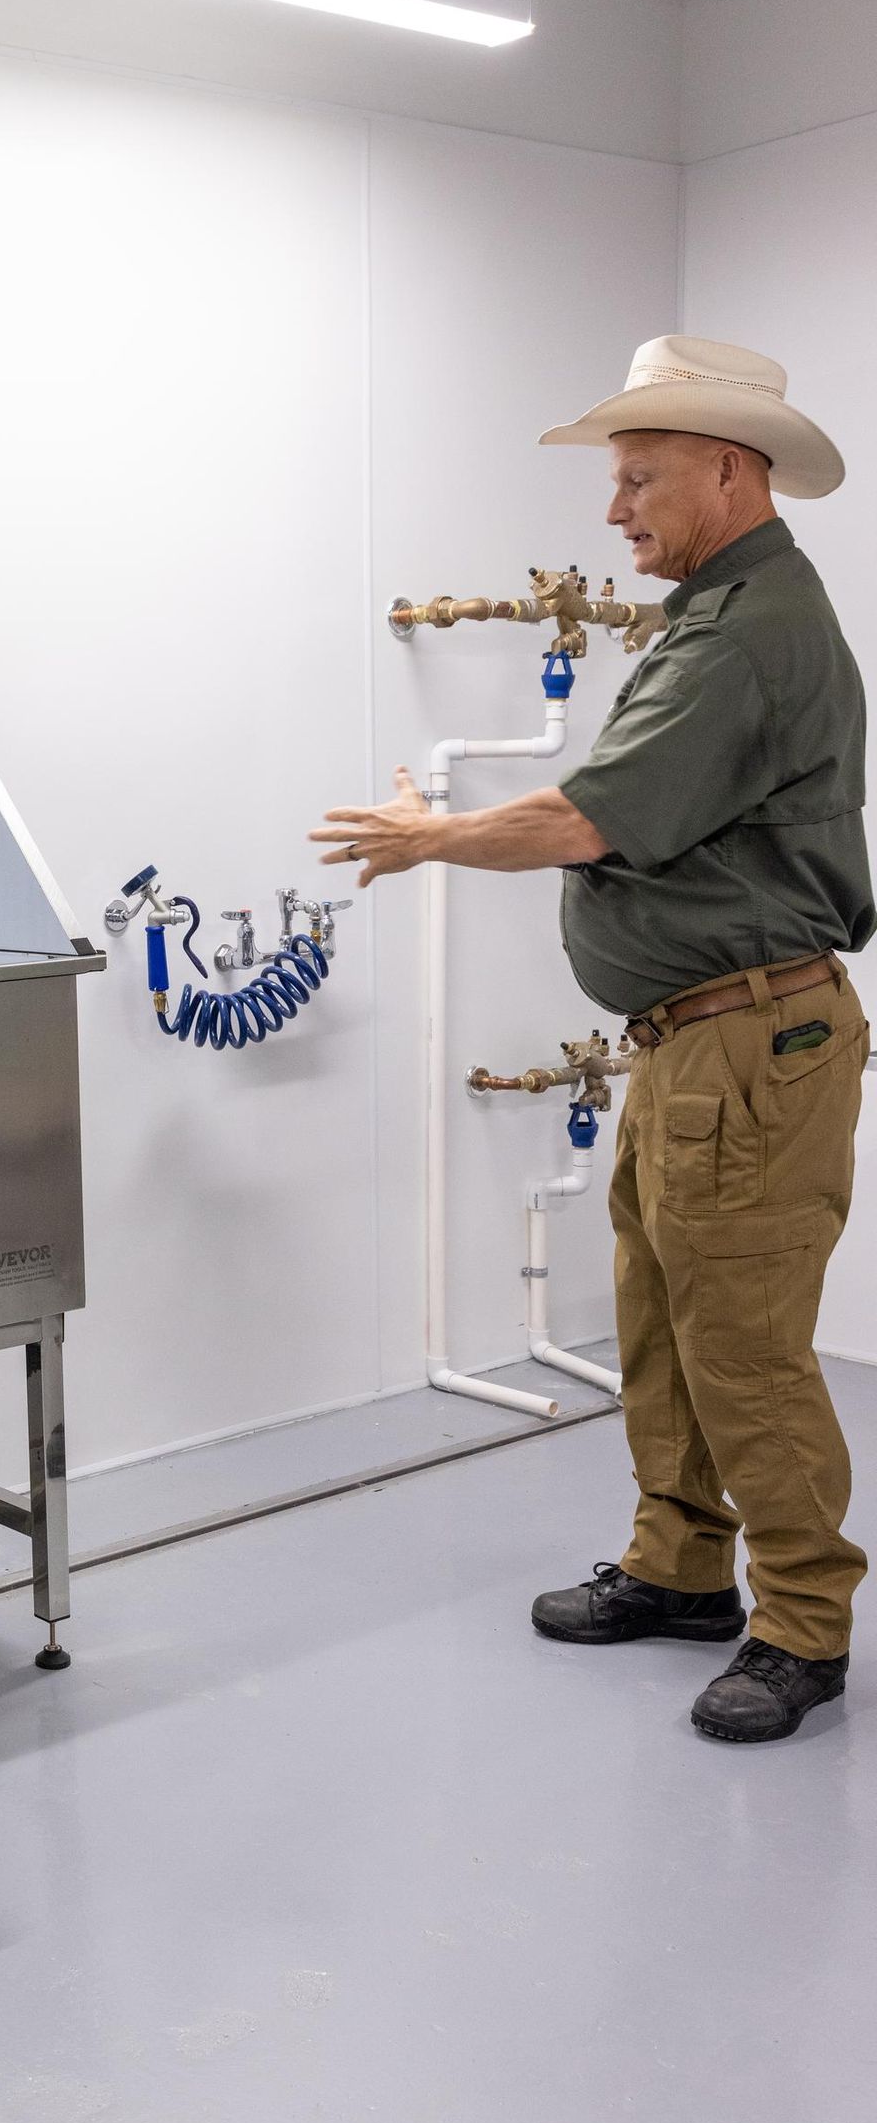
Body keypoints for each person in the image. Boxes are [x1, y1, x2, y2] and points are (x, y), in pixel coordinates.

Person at [312, 337, 872, 1744]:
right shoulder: (722, 611)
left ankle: (802, 1624)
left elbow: (585, 816)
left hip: (750, 1048)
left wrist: (429, 836)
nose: (614, 512)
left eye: (638, 481)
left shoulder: (749, 630)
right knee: (662, 1319)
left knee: (741, 1342)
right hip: (703, 1045)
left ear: (727, 471)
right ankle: (682, 1569)